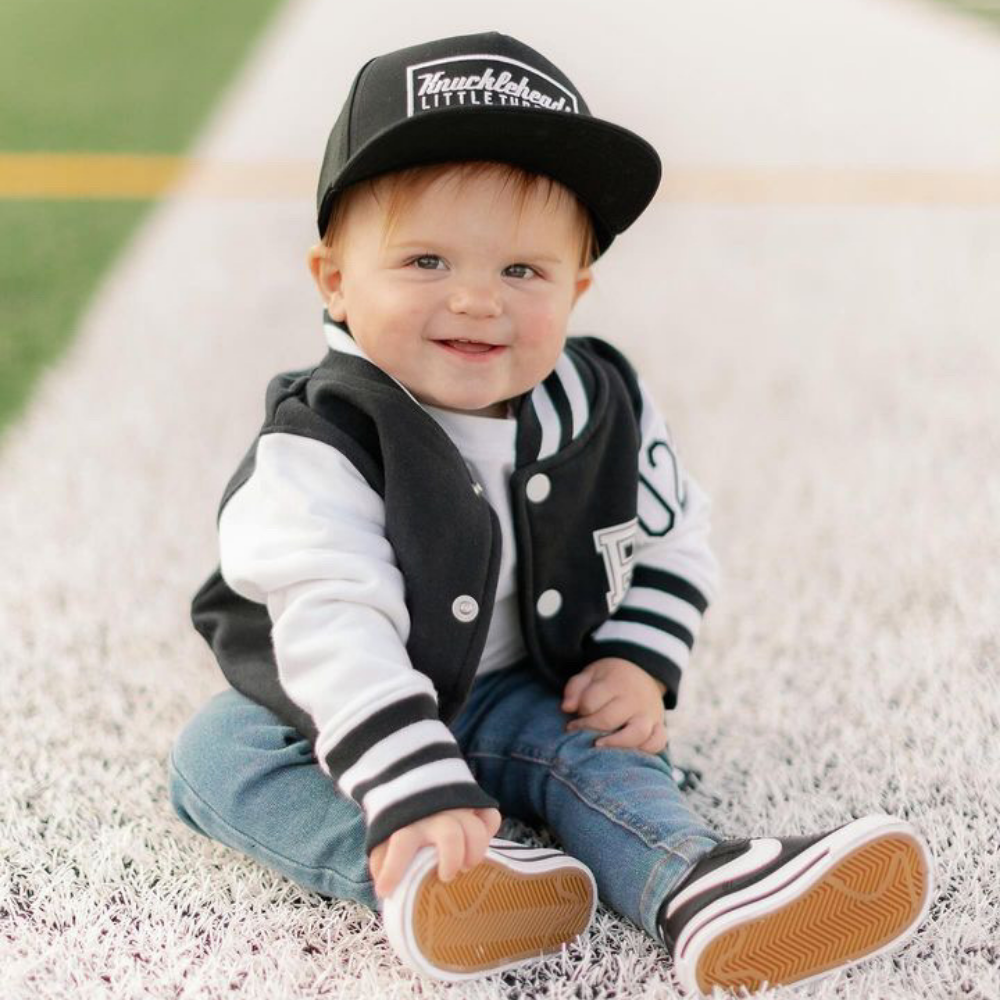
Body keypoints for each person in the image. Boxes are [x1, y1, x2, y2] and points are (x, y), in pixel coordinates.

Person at [168, 30, 934, 996]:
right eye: (427, 260)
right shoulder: (320, 445)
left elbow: (671, 533)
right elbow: (335, 626)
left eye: (524, 273)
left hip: (517, 686)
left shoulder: (600, 404)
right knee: (216, 756)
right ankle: (425, 877)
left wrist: (638, 662)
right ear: (334, 280)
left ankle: (694, 883)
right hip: (336, 695)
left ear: (577, 289)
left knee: (599, 747)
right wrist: (411, 784)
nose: (478, 299)